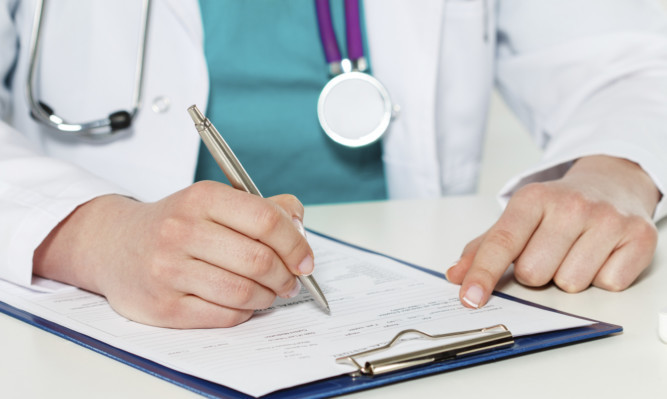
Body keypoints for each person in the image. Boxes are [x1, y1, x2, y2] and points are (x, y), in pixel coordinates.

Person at [0, 0, 665, 329]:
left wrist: (611, 170)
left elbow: (627, 59)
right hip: (90, 339)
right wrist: (88, 234)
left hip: (414, 300)